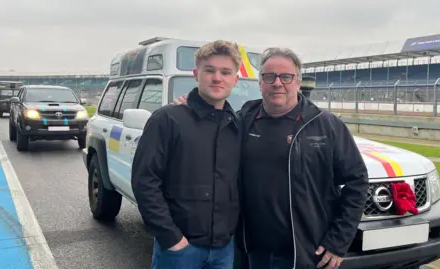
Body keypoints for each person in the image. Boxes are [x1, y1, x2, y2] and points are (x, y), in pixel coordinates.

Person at [174, 47, 369, 269]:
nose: (277, 83)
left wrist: (339, 240)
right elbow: (209, 128)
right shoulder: (241, 121)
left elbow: (358, 181)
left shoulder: (326, 125)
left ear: (298, 81)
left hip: (306, 252)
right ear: (260, 82)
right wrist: (189, 108)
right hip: (252, 251)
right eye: (269, 76)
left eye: (286, 76)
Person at [131, 40, 243, 269]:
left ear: (236, 79)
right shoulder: (168, 119)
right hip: (180, 250)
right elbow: (145, 180)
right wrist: (170, 237)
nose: (217, 78)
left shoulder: (238, 125)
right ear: (196, 74)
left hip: (224, 249)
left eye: (225, 72)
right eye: (209, 70)